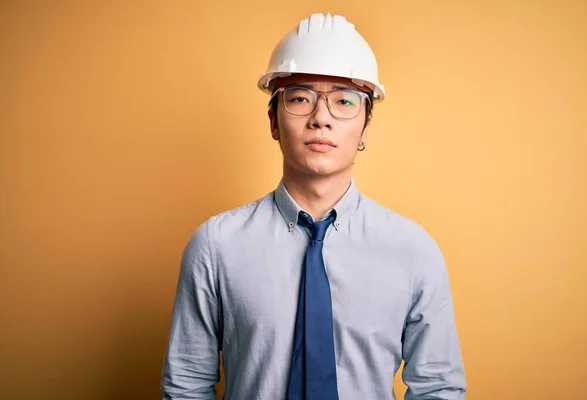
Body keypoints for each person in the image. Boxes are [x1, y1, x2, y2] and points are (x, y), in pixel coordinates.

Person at [161, 12, 467, 400]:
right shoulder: (215, 246)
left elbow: (438, 388)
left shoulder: (413, 251)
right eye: (301, 98)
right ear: (273, 120)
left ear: (365, 129)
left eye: (344, 101)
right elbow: (187, 385)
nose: (321, 118)